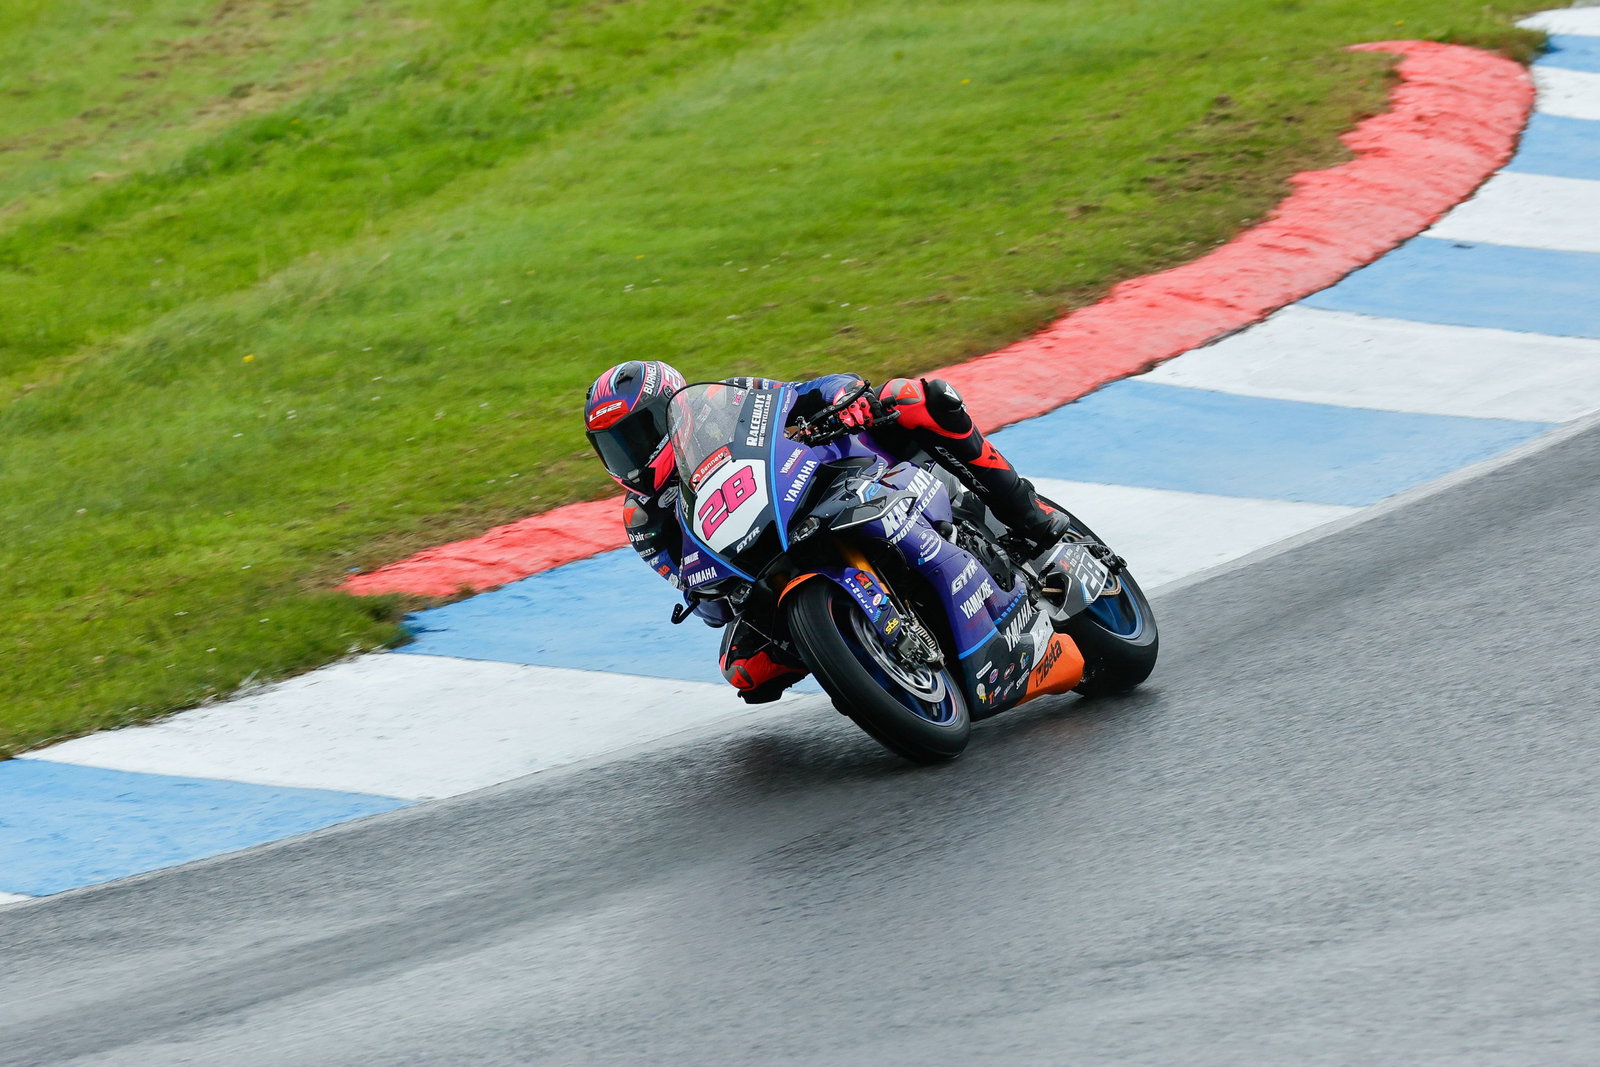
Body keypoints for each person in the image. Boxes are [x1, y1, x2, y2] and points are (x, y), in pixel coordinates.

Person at [583, 359, 1069, 704]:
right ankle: (865, 658)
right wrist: (713, 591)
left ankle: (1028, 515)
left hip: (832, 478)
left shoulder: (718, 400)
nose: (631, 454)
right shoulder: (644, 519)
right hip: (762, 568)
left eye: (639, 433)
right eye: (615, 447)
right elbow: (699, 596)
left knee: (913, 398)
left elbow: (804, 392)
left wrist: (841, 396)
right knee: (744, 671)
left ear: (671, 408)